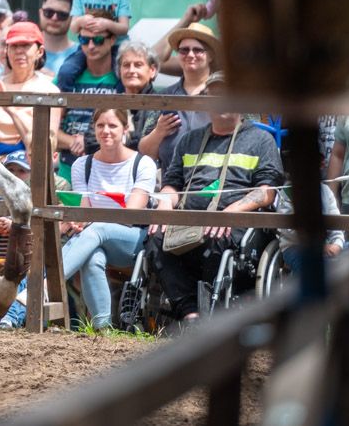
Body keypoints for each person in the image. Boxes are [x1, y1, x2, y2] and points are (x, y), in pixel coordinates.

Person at [148, 72, 285, 323]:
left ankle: (213, 313)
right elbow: (172, 184)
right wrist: (164, 203)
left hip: (235, 222)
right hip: (189, 219)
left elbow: (267, 192)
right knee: (156, 238)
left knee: (218, 238)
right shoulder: (189, 140)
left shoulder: (261, 141)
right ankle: (189, 313)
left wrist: (231, 212)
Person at [60, 108, 157, 329]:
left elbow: (130, 215)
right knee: (92, 256)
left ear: (125, 128)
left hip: (134, 240)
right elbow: (85, 212)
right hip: (95, 237)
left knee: (96, 230)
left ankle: (47, 285)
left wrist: (88, 223)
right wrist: (77, 222)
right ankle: (102, 328)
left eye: (112, 125)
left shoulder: (143, 163)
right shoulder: (81, 165)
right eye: (100, 125)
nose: (106, 131)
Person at [55, 10, 124, 172]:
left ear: (112, 39)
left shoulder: (124, 80)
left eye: (98, 40)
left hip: (112, 172)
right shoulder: (66, 78)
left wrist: (89, 140)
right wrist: (72, 141)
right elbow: (47, 129)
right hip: (69, 170)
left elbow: (130, 130)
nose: (91, 46)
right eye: (84, 40)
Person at [0, 22, 61, 158]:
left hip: (29, 165)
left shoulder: (49, 89)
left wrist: (8, 107)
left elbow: (47, 144)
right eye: (13, 46)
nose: (19, 51)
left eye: (25, 45)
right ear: (7, 51)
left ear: (40, 51)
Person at [155, 23, 221, 167]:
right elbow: (144, 150)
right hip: (171, 183)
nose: (190, 55)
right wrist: (158, 132)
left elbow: (247, 135)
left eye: (198, 50)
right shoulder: (165, 95)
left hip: (215, 181)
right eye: (184, 50)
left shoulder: (225, 94)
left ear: (210, 56)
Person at [116, 42, 178, 160]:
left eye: (138, 65)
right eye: (126, 65)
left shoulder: (162, 104)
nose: (131, 70)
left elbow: (163, 148)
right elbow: (91, 143)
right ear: (119, 71)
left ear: (152, 70)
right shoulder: (109, 104)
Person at [39, 0, 75, 75]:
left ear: (71, 18)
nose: (54, 18)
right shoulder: (26, 49)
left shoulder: (82, 53)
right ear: (40, 13)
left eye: (62, 15)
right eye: (49, 12)